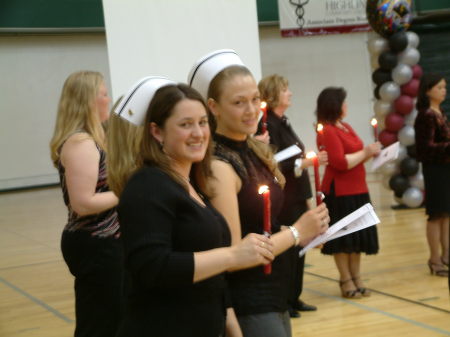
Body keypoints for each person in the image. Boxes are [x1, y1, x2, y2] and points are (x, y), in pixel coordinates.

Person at [108, 77, 277, 337]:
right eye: (185, 125)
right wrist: (233, 255)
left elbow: (212, 274)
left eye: (202, 122)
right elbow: (153, 268)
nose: (198, 133)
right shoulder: (147, 184)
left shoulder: (190, 185)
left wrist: (231, 325)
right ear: (156, 132)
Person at [189, 49, 330, 337]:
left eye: (255, 99)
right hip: (249, 299)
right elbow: (236, 252)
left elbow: (267, 224)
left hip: (276, 289)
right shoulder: (219, 165)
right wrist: (296, 232)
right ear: (213, 107)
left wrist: (307, 231)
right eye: (239, 103)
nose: (252, 110)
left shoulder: (252, 149)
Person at [49, 71, 125, 337]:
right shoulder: (80, 143)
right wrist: (127, 192)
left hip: (103, 243)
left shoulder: (93, 139)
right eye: (104, 94)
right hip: (95, 244)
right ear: (88, 101)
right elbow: (83, 203)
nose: (108, 99)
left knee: (111, 318)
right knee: (99, 323)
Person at [257, 74, 328, 318]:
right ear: (274, 94)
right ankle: (285, 300)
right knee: (288, 249)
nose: (290, 93)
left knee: (301, 247)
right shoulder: (266, 125)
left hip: (296, 193)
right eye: (285, 89)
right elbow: (273, 162)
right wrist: (303, 163)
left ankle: (294, 296)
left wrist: (303, 162)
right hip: (284, 195)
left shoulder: (283, 121)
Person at [316, 87, 380, 299]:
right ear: (335, 105)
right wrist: (366, 152)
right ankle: (345, 278)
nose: (346, 106)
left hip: (358, 188)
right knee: (344, 239)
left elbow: (358, 157)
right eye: (344, 102)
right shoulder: (327, 130)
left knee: (358, 237)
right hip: (339, 191)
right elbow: (341, 163)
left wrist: (374, 153)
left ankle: (356, 276)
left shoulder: (345, 127)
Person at [414, 73, 450, 279]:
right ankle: (434, 258)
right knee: (436, 215)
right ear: (428, 91)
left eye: (444, 87)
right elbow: (424, 149)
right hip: (435, 170)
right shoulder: (426, 115)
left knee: (446, 214)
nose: (443, 91)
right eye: (439, 88)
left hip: (445, 169)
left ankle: (446, 255)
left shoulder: (439, 112)